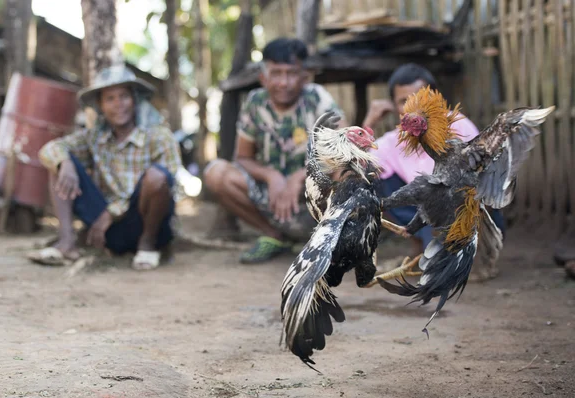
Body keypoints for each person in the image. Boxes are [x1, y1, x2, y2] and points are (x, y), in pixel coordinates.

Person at [203, 37, 347, 264]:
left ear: (304, 76)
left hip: (315, 196)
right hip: (272, 197)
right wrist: (272, 177)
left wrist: (299, 178)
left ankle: (330, 237)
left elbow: (343, 150)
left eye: (291, 73)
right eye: (276, 73)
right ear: (263, 77)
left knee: (351, 171)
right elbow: (243, 157)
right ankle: (273, 236)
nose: (284, 82)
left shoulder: (318, 98)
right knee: (216, 173)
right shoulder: (255, 103)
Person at [28, 64, 182, 271]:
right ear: (101, 106)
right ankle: (67, 242)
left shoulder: (159, 135)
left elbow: (171, 183)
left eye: (124, 96)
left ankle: (147, 246)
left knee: (157, 177)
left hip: (148, 225)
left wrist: (111, 213)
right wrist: (64, 163)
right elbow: (49, 150)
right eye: (110, 99)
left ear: (135, 100)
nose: (118, 104)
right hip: (108, 229)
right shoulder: (95, 137)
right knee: (60, 162)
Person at [363, 63, 505, 255]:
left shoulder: (457, 126)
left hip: (467, 212)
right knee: (370, 181)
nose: (413, 106)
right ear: (395, 106)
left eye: (420, 98)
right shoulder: (393, 140)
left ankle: (477, 251)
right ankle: (420, 243)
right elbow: (358, 164)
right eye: (403, 101)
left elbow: (482, 178)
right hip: (432, 216)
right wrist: (368, 124)